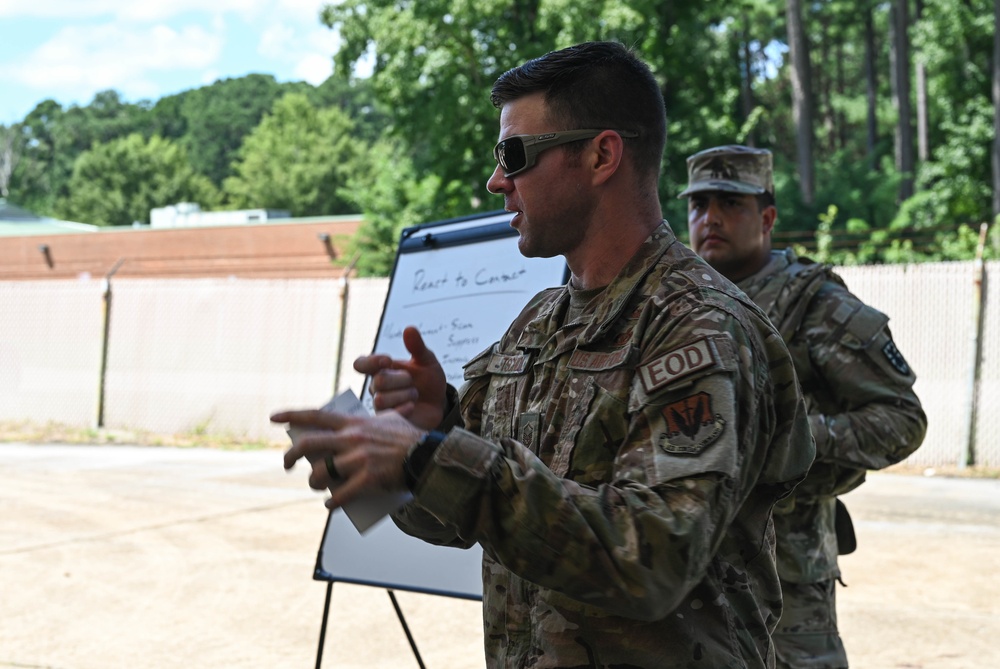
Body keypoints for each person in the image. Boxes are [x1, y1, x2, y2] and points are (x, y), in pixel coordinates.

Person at [274, 42, 815, 668]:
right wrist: (429, 435)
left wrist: (430, 458)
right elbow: (454, 521)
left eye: (515, 154)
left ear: (601, 155)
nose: (496, 179)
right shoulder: (537, 324)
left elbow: (653, 559)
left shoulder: (699, 329)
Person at [680, 145, 927, 669]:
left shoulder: (817, 305)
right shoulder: (678, 302)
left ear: (767, 217)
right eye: (699, 205)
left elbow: (902, 420)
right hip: (692, 564)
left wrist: (793, 437)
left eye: (731, 203)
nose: (711, 218)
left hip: (787, 573)